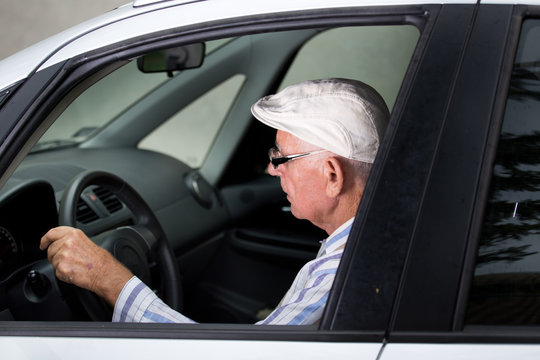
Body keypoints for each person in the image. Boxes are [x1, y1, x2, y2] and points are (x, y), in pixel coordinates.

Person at [40, 78, 389, 325]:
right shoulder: (375, 239)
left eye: (281, 159)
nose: (271, 170)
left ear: (332, 176)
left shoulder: (340, 279)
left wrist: (106, 277)